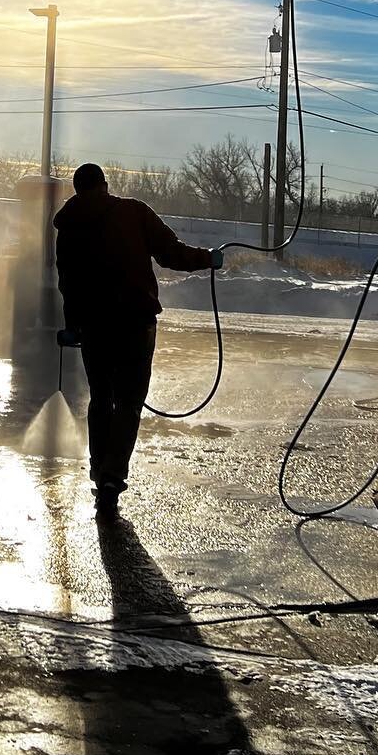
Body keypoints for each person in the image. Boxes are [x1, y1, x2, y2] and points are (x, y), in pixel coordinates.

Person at [53, 162, 221, 513]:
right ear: (105, 185)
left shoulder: (69, 228)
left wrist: (73, 324)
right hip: (135, 322)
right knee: (128, 402)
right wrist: (208, 259)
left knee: (100, 399)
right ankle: (113, 475)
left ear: (76, 190)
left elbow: (69, 282)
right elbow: (171, 253)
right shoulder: (133, 212)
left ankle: (101, 472)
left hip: (94, 326)